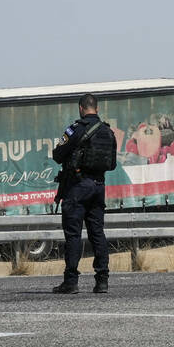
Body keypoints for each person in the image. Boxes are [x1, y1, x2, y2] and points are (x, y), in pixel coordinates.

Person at [51, 93, 117, 294]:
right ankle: (102, 280)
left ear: (81, 108)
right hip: (99, 186)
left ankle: (71, 282)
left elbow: (57, 155)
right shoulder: (108, 132)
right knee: (97, 232)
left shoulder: (75, 129)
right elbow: (112, 165)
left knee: (73, 234)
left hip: (78, 188)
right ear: (96, 109)